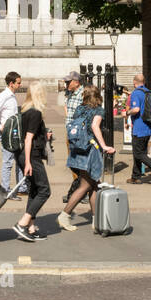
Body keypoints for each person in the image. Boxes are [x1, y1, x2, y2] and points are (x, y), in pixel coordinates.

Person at [58, 85, 115, 231]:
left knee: (94, 185)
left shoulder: (80, 109)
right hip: (89, 150)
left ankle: (97, 221)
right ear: (98, 96)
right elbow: (95, 127)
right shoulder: (98, 110)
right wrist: (104, 146)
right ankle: (64, 215)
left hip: (77, 149)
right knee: (85, 185)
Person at [13, 82, 53, 242]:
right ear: (40, 94)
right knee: (45, 190)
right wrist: (29, 162)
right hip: (31, 156)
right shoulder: (36, 112)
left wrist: (44, 134)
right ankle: (22, 223)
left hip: (23, 154)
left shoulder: (25, 110)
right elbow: (28, 138)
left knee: (34, 190)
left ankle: (30, 227)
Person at [0, 70, 27, 196]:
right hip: (7, 134)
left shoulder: (11, 95)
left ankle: (21, 187)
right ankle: (5, 189)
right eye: (18, 83)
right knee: (8, 161)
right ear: (11, 83)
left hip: (14, 132)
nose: (20, 85)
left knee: (19, 159)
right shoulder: (4, 96)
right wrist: (0, 127)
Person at [62, 71, 84, 204]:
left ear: (76, 82)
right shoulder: (70, 93)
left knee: (78, 162)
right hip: (69, 131)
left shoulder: (83, 94)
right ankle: (78, 188)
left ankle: (81, 190)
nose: (66, 84)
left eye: (68, 82)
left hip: (78, 133)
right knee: (72, 162)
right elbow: (67, 107)